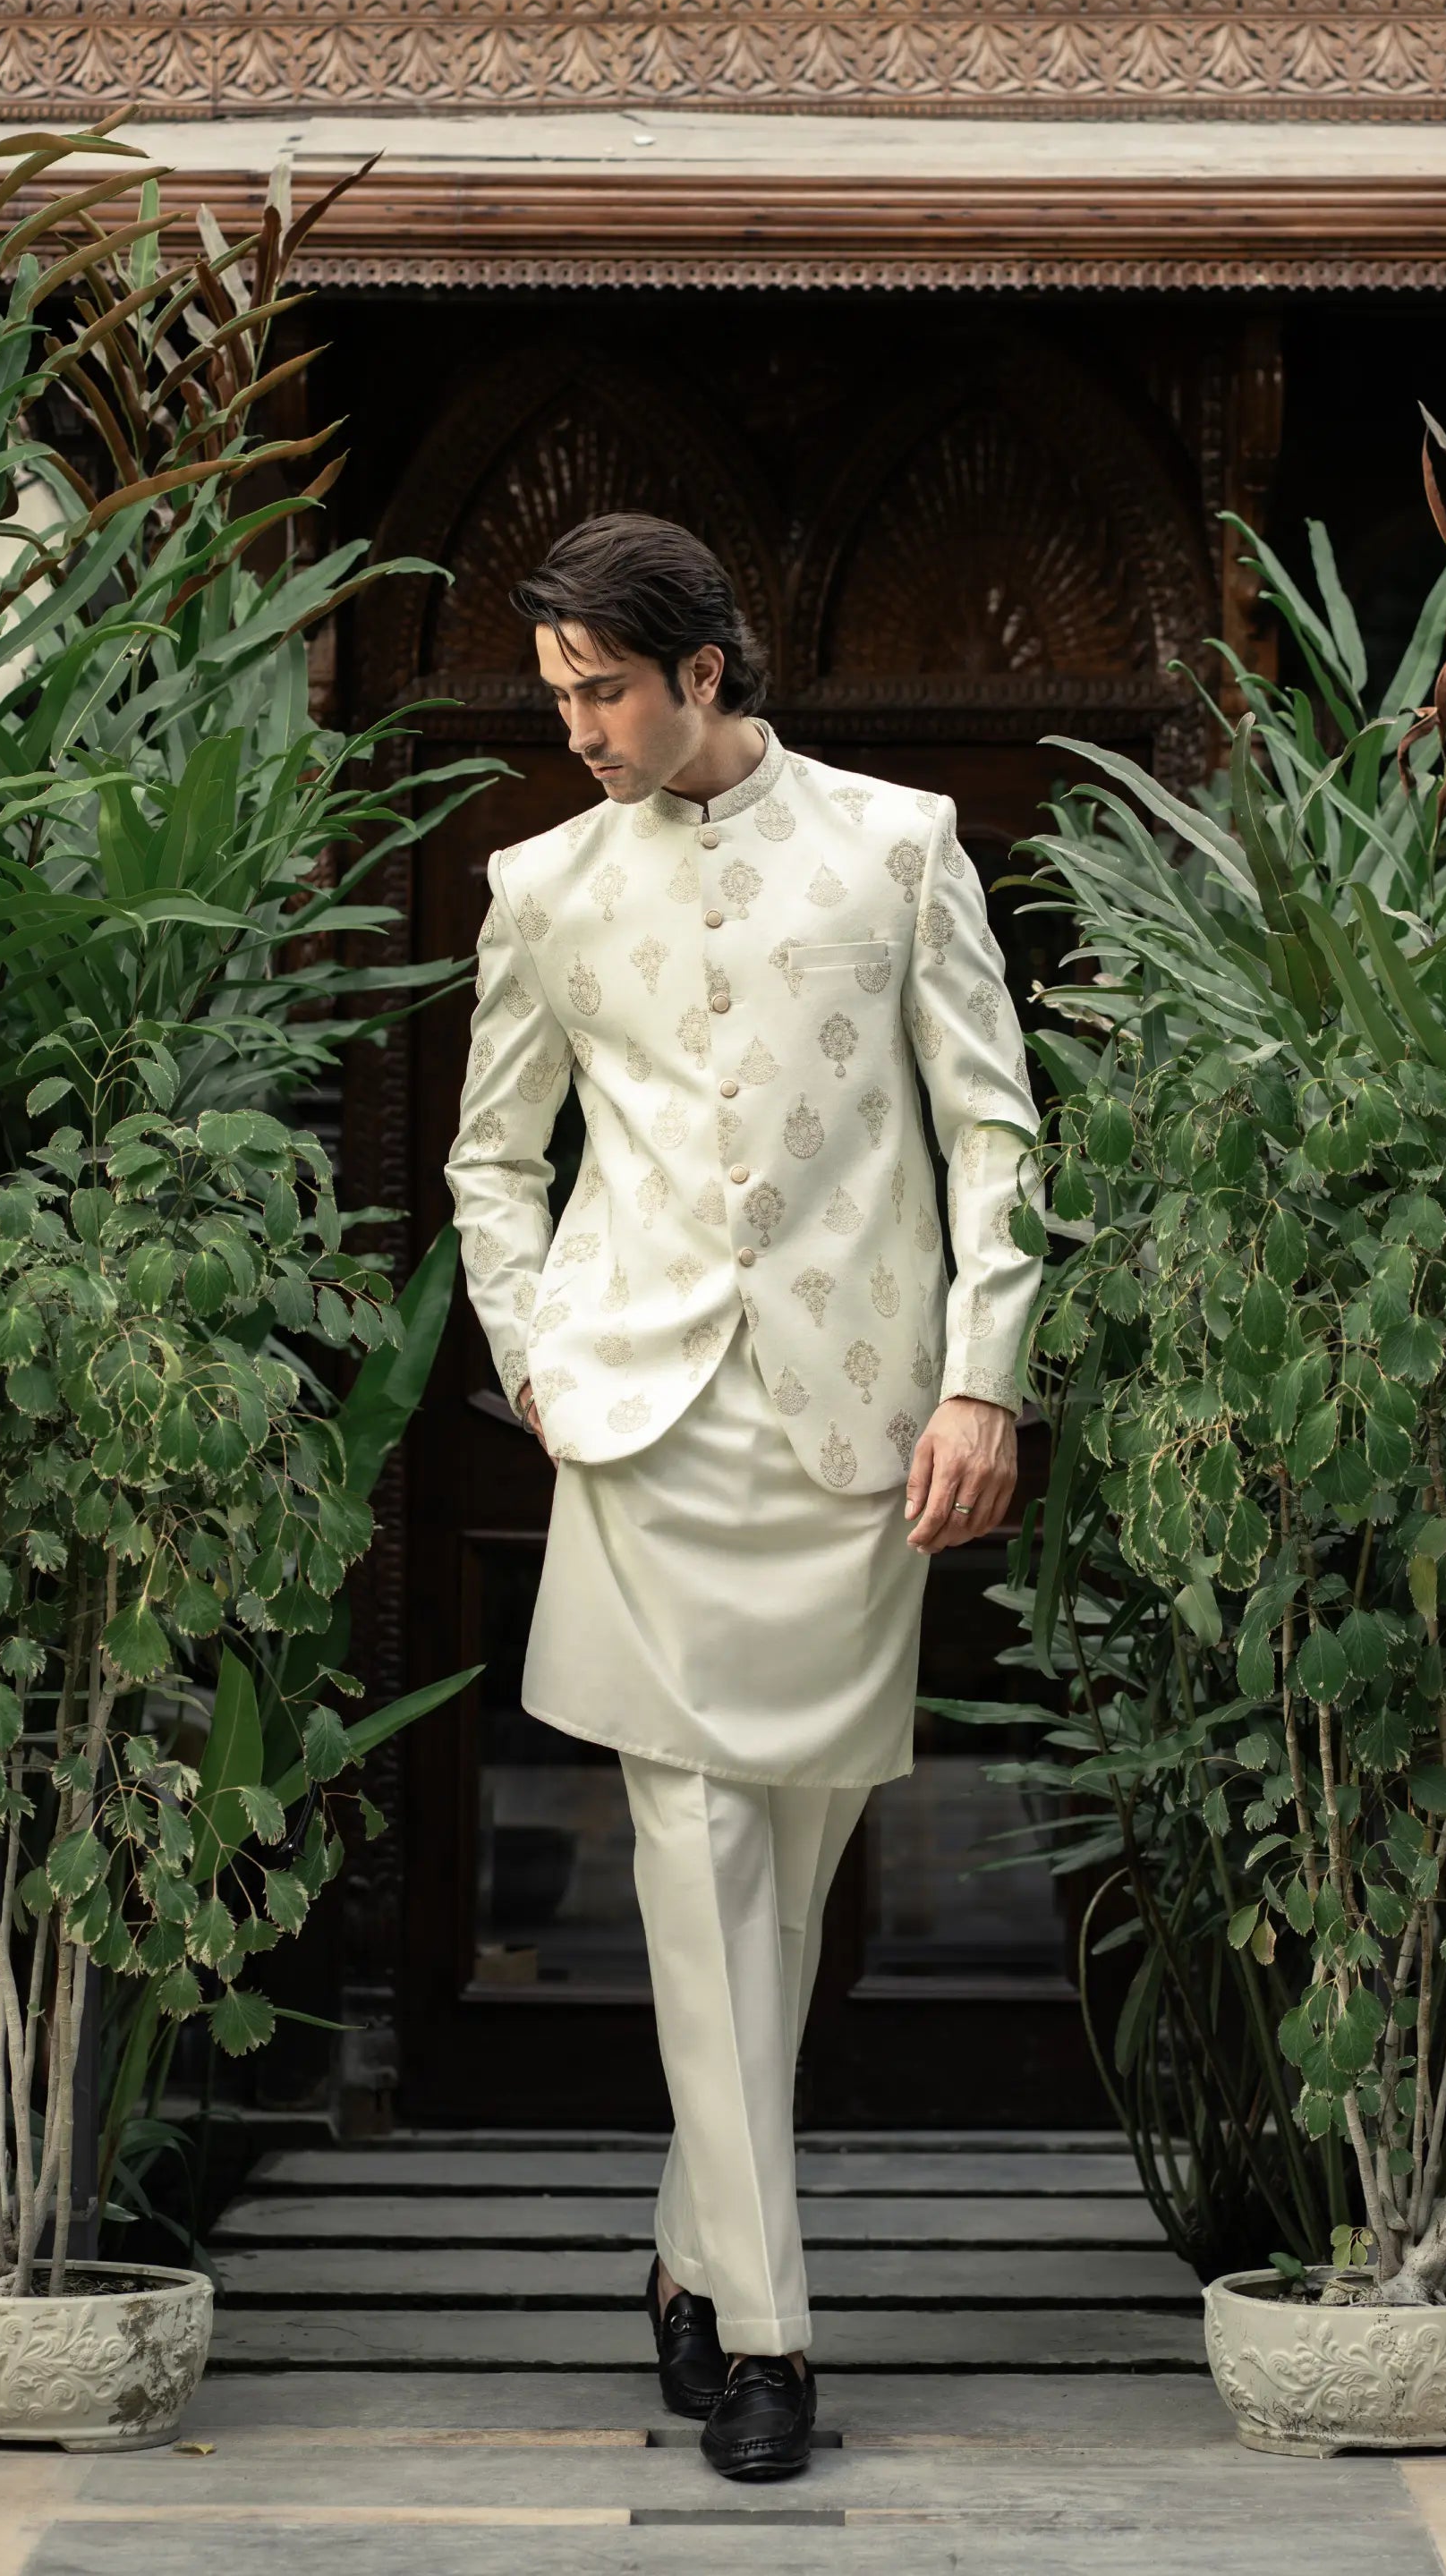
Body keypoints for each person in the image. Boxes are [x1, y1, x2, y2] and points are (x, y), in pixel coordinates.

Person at [446, 511, 1042, 2480]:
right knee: (695, 1853)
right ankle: (773, 2337)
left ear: (703, 671)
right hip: (642, 1426)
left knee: (782, 1885)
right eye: (557, 694)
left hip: (858, 1433)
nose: (577, 730)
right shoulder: (541, 885)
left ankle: (691, 2256)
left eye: (603, 691)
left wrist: (982, 1381)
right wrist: (537, 1353)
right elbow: (492, 1161)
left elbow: (992, 1137)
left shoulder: (899, 845)